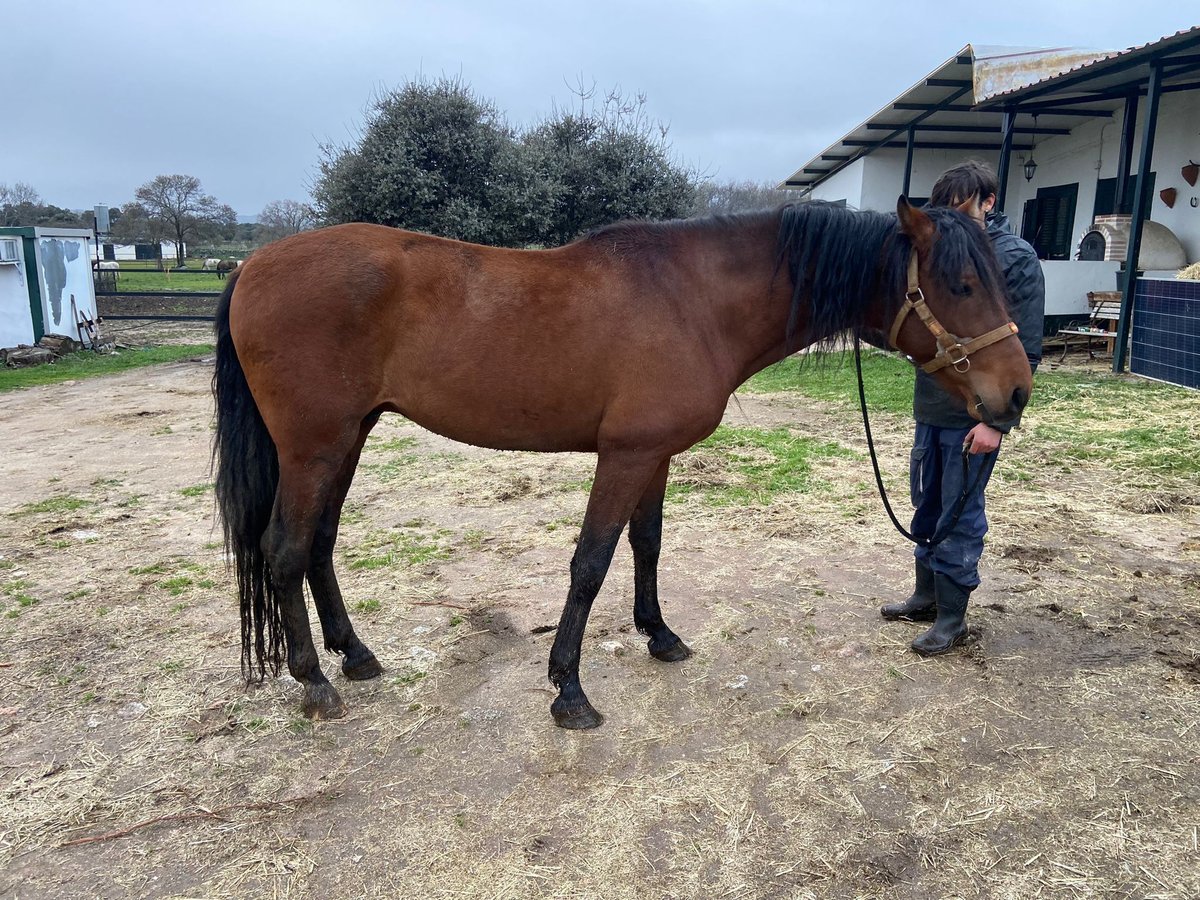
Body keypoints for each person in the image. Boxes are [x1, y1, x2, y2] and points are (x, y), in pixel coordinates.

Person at [880, 161, 1045, 655]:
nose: (952, 218)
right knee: (928, 501)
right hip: (932, 406)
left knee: (961, 510)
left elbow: (1025, 349)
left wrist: (998, 424)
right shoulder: (940, 255)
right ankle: (926, 595)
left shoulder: (1012, 258)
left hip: (977, 415)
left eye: (963, 207)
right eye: (945, 209)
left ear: (988, 203)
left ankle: (952, 617)